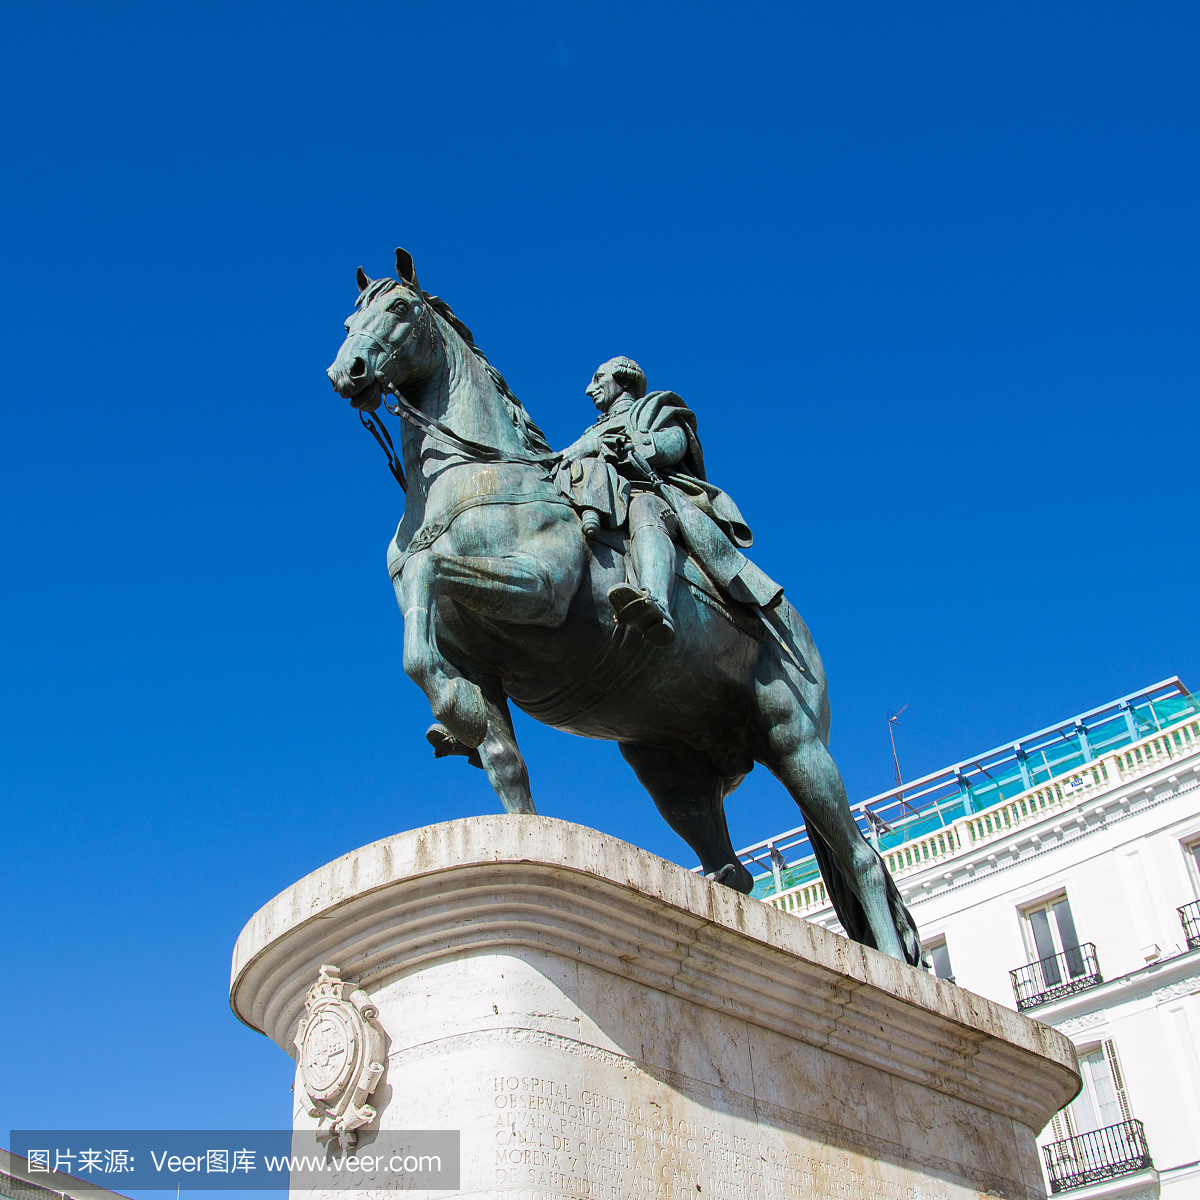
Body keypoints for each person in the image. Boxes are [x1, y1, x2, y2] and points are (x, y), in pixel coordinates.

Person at [556, 357, 783, 647]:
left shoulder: (656, 410)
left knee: (645, 508)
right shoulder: (590, 433)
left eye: (599, 378)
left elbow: (674, 445)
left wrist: (622, 446)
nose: (590, 389)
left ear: (624, 380)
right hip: (600, 502)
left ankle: (655, 604)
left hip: (653, 496)